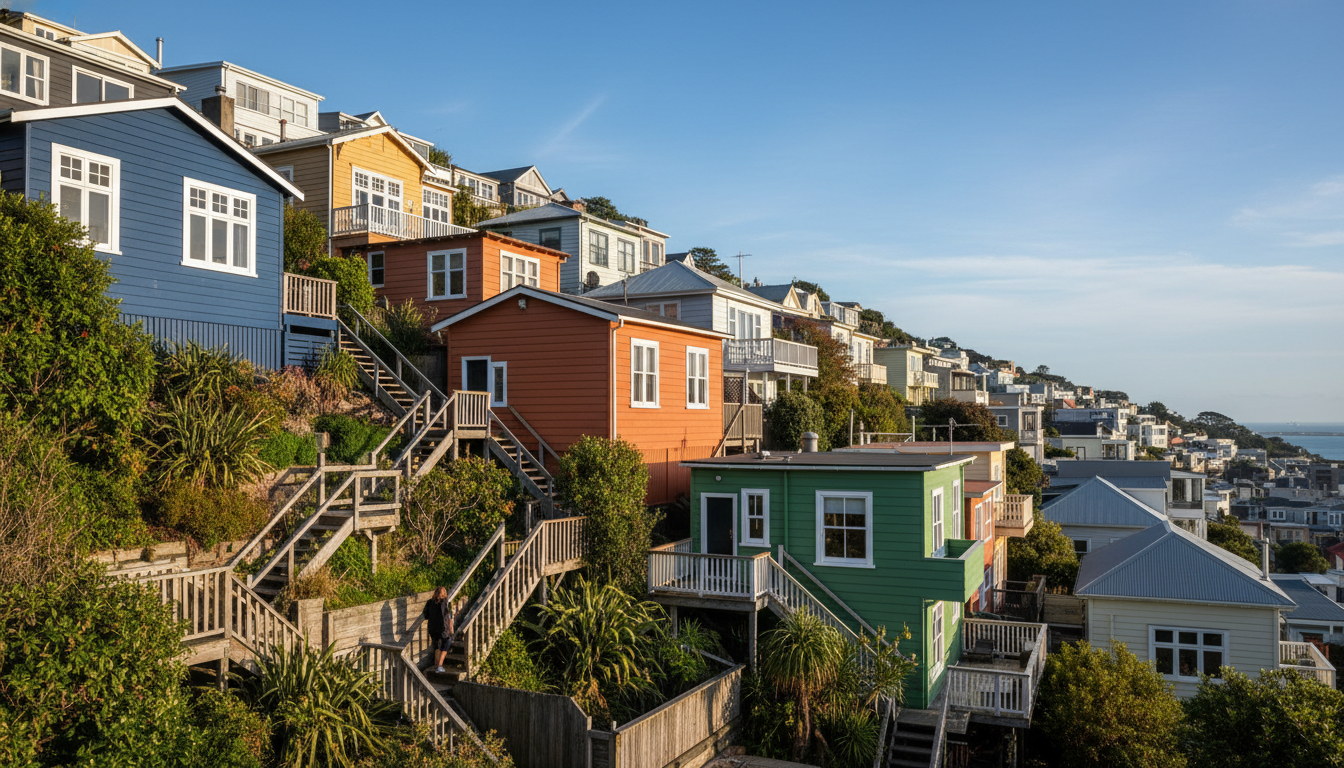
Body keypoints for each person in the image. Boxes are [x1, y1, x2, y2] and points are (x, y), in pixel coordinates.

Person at [423, 586, 454, 674]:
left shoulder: (429, 602)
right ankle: (439, 666)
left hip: (432, 628)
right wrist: (451, 629)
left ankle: (436, 665)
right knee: (446, 644)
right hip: (442, 628)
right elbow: (447, 616)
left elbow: (425, 615)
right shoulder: (444, 602)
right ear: (444, 593)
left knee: (437, 645)